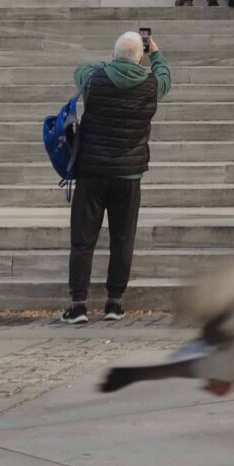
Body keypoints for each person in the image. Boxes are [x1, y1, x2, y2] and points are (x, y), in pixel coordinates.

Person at [61, 29, 171, 323]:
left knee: (83, 239)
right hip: (128, 173)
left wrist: (113, 60)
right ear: (140, 57)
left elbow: (80, 70)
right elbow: (165, 77)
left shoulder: (94, 79)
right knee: (123, 238)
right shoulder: (150, 84)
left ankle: (78, 304)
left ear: (113, 55)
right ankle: (114, 303)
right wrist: (155, 54)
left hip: (92, 172)